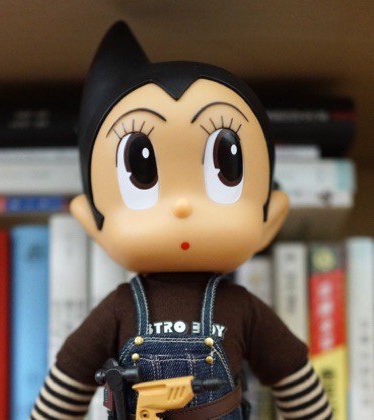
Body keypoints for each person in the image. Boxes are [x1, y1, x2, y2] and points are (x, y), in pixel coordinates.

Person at [32, 22, 332, 420]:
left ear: (271, 216)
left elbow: (292, 376)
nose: (183, 207)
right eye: (142, 174)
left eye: (226, 171)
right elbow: (69, 382)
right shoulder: (119, 308)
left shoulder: (241, 308)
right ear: (91, 222)